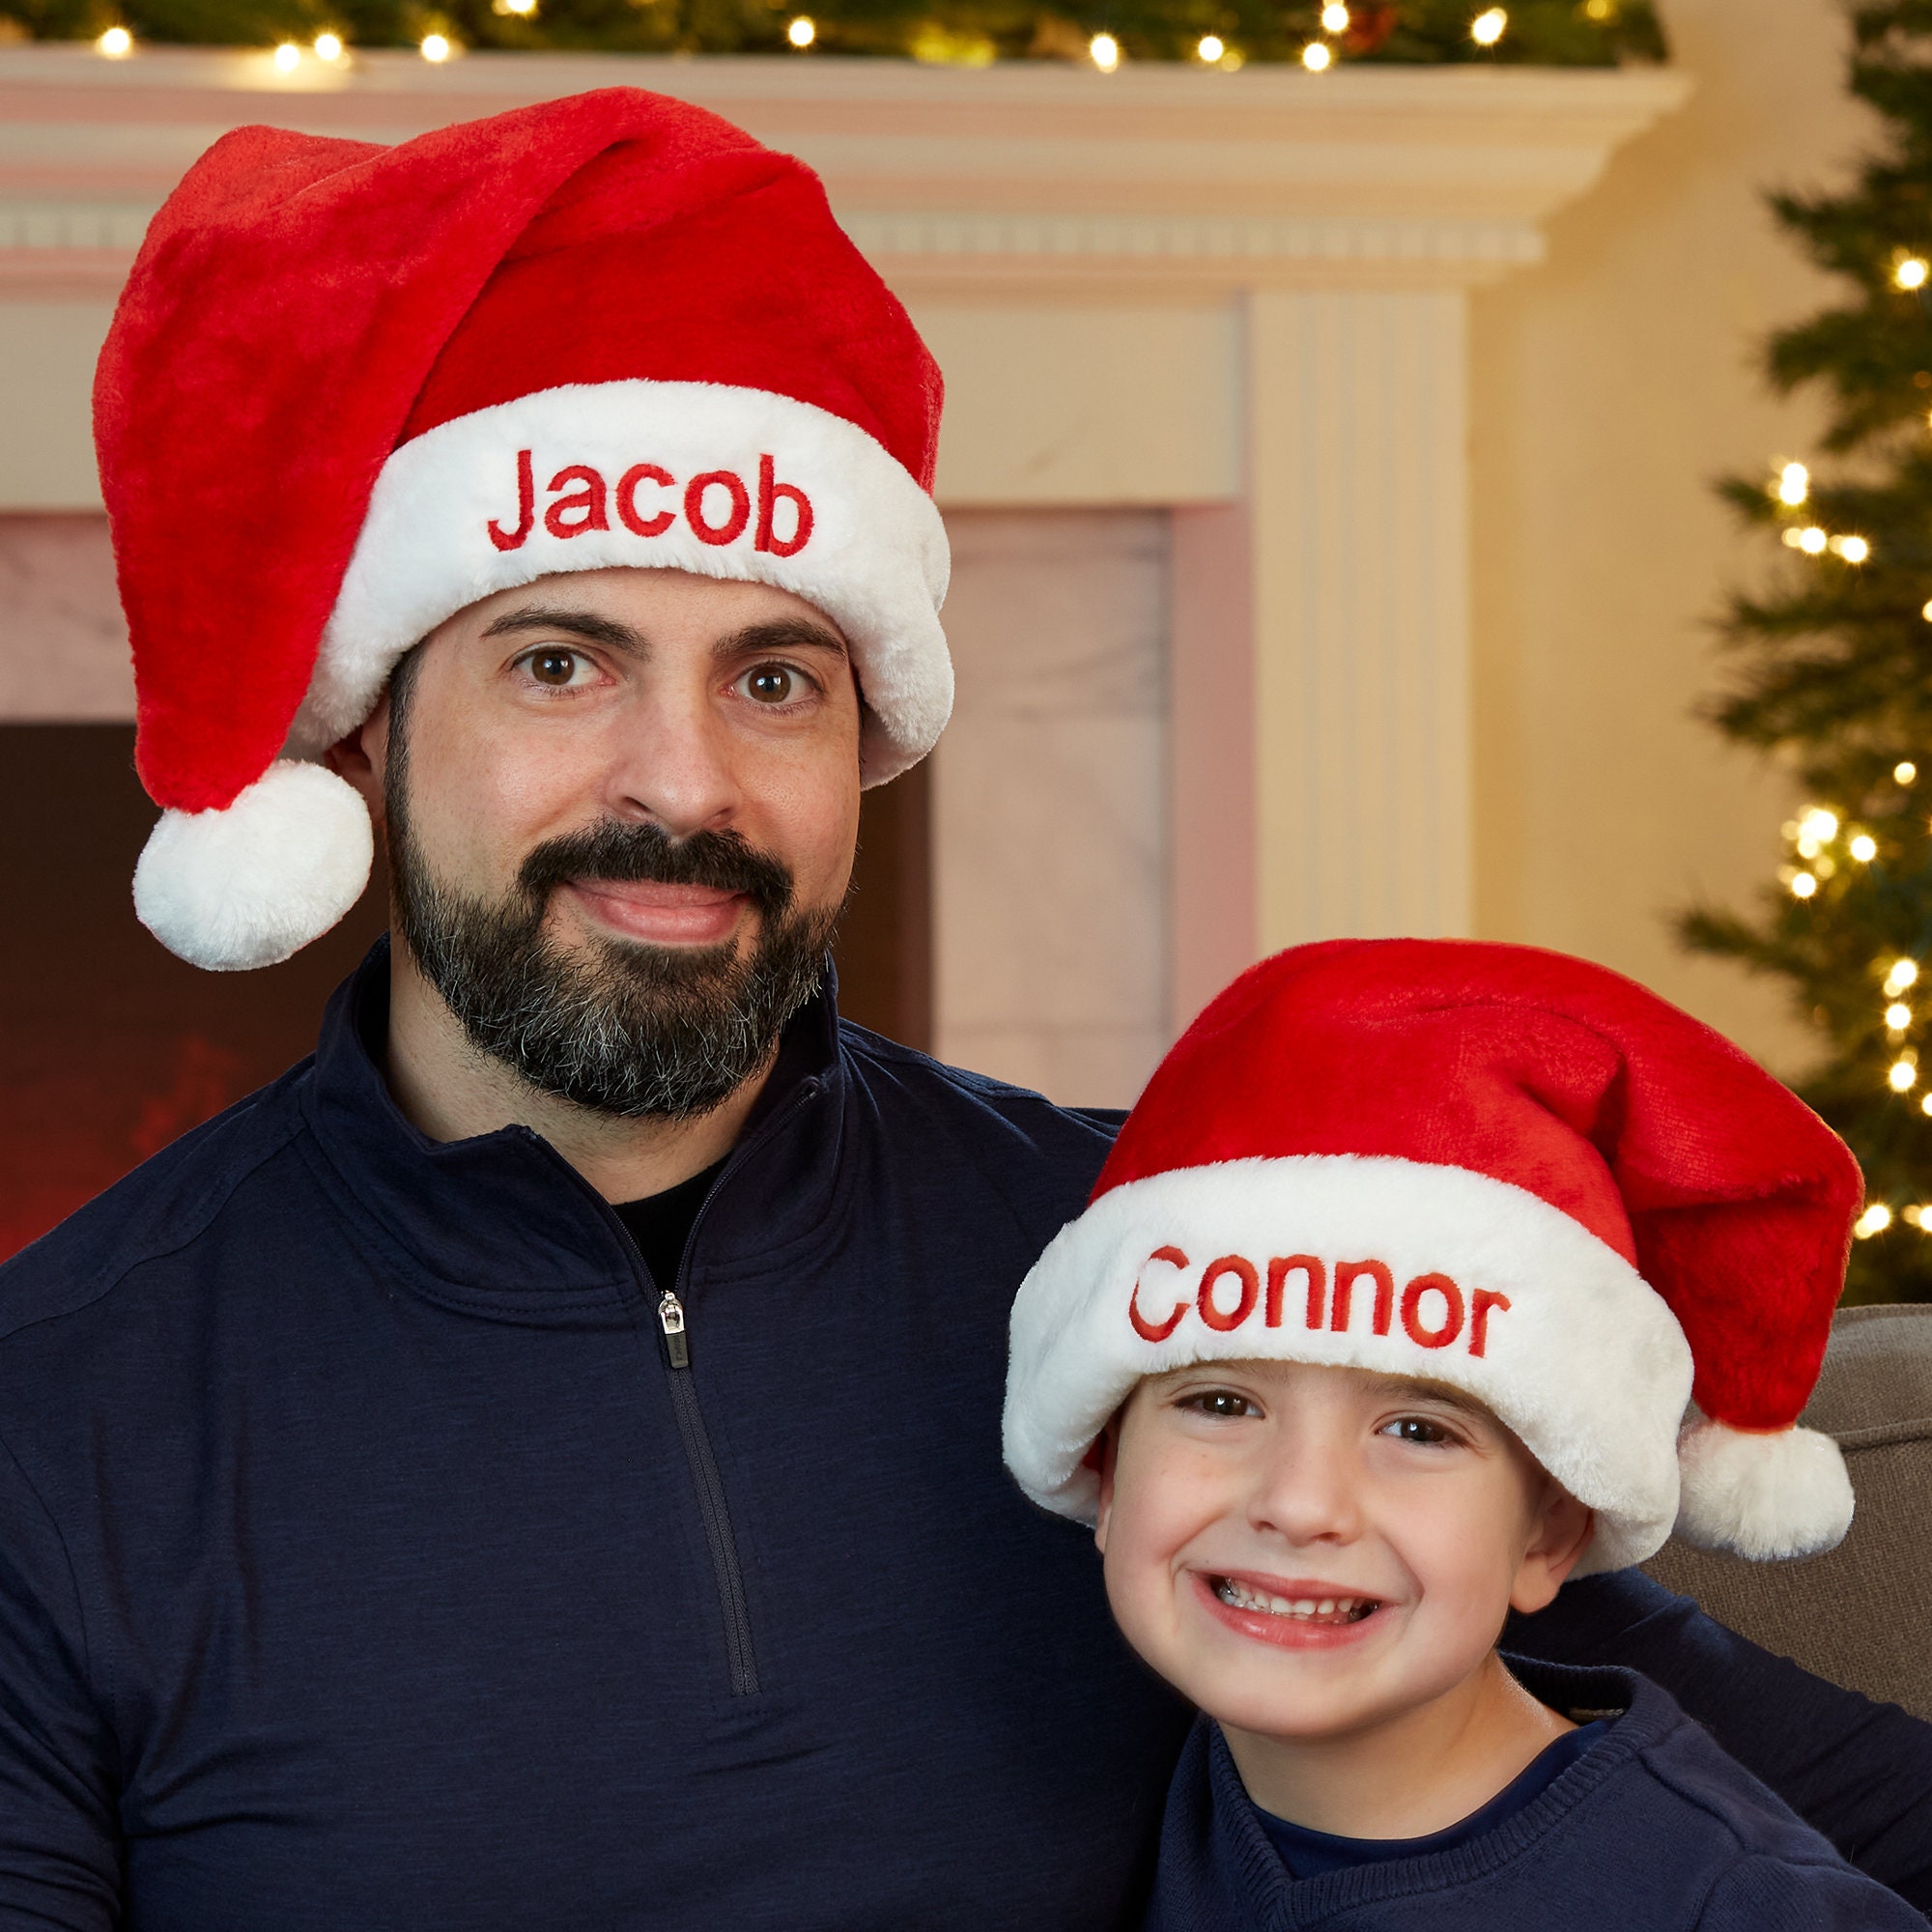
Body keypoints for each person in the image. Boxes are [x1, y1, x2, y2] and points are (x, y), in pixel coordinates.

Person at [0, 83, 1926, 1931]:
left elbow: (1807, 1798)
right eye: (562, 659)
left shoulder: (1159, 1283)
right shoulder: (62, 1410)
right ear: (358, 731)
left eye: (774, 680)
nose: (687, 785)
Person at [1001, 938, 1927, 1929]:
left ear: (1546, 1536)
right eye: (1221, 1403)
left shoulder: (1729, 1902)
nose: (1299, 1501)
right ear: (1101, 1469)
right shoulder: (1181, 1803)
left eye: (1416, 1427)